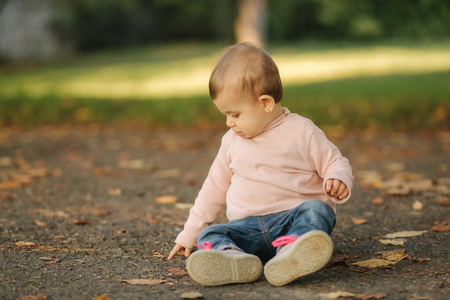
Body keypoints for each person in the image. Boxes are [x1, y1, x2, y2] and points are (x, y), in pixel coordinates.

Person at [168, 43, 353, 287]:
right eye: (225, 115)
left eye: (234, 114)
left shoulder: (301, 131)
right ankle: (234, 259)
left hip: (292, 220)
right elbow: (213, 187)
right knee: (210, 234)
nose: (228, 123)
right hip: (247, 229)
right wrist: (189, 233)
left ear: (265, 103)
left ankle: (292, 252)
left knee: (317, 211)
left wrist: (337, 178)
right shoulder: (231, 142)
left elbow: (334, 161)